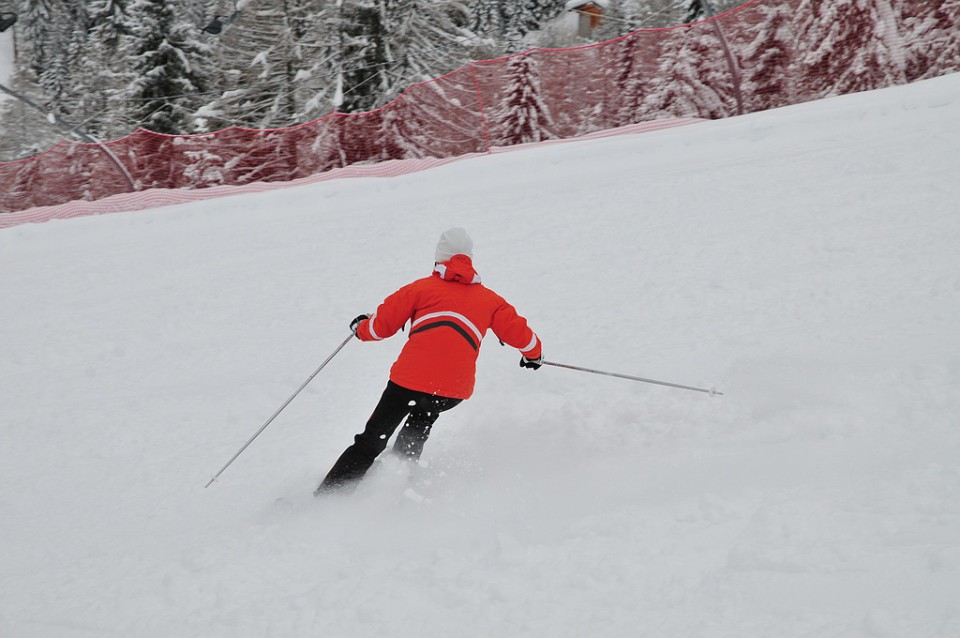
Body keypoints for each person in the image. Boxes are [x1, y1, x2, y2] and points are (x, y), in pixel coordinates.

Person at [316, 228, 542, 495]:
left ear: (438, 259)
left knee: (372, 439)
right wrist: (533, 356)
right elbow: (523, 337)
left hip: (407, 383)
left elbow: (379, 329)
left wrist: (361, 328)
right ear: (469, 259)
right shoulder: (491, 301)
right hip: (451, 390)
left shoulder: (419, 289)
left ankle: (328, 499)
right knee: (422, 417)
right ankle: (395, 486)